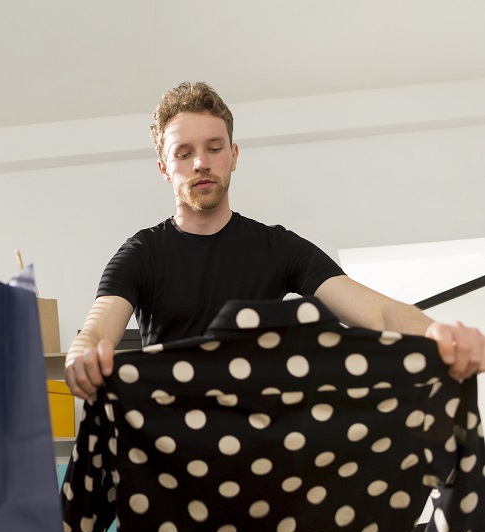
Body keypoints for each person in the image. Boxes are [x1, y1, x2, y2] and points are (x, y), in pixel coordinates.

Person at [64, 81, 485, 400]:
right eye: (183, 153)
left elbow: (378, 313)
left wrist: (439, 334)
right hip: (171, 449)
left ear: (233, 155)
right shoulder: (142, 253)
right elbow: (100, 326)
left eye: (214, 148)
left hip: (262, 450)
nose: (200, 163)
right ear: (163, 167)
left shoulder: (278, 248)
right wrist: (82, 354)